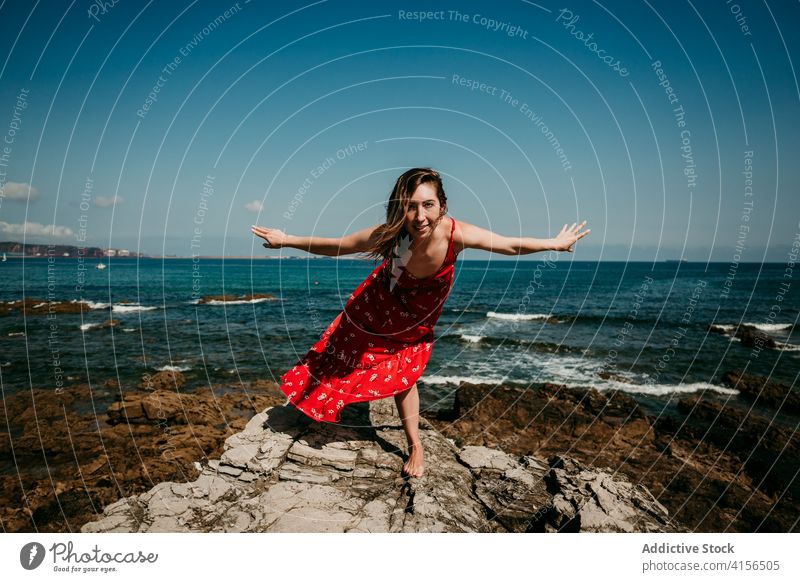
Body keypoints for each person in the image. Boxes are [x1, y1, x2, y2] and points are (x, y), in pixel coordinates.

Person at [251, 168, 589, 478]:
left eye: (428, 204)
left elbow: (509, 245)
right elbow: (339, 246)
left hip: (415, 318)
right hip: (378, 302)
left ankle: (415, 445)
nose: (419, 215)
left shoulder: (455, 234)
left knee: (404, 374)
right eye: (411, 206)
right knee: (340, 354)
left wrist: (554, 244)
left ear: (442, 205)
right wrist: (287, 240)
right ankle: (321, 402)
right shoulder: (392, 235)